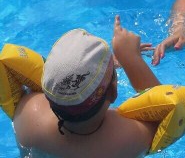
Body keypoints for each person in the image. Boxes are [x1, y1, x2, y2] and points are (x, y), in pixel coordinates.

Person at [13, 16, 160, 158]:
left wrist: (104, 69)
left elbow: (67, 84)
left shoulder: (27, 114)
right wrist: (131, 59)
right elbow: (164, 114)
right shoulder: (128, 139)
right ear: (113, 92)